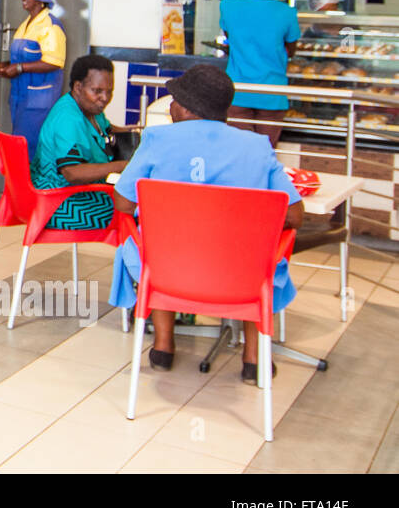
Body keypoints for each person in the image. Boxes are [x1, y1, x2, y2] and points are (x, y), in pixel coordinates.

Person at [110, 64, 303, 384]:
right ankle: (253, 358)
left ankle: (163, 346)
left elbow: (123, 202)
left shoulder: (156, 139)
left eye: (173, 99)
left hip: (168, 271)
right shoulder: (256, 145)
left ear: (186, 107)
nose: (170, 105)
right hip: (240, 275)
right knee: (260, 253)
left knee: (155, 241)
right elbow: (294, 215)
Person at [32, 55, 135, 230]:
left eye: (109, 91)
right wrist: (122, 165)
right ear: (78, 87)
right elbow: (72, 173)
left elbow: (106, 129)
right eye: (97, 90)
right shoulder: (69, 119)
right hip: (58, 200)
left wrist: (142, 132)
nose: (104, 98)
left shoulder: (90, 108)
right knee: (138, 211)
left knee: (136, 204)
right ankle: (135, 257)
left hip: (77, 192)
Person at [220, 0, 300, 146]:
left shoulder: (228, 6)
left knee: (239, 152)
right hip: (271, 94)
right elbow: (291, 50)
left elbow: (231, 38)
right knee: (265, 154)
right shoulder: (286, 13)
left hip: (238, 91)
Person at [0, 0, 66, 153]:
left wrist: (19, 68)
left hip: (39, 100)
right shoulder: (25, 25)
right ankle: (19, 181)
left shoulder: (51, 26)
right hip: (20, 97)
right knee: (20, 144)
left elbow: (54, 62)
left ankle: (32, 182)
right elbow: (23, 57)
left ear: (41, 0)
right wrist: (7, 65)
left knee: (32, 148)